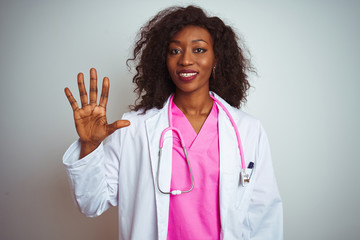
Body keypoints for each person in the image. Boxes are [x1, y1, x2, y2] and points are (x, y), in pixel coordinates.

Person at [63, 5, 283, 240]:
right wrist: (89, 146)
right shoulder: (134, 128)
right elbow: (91, 203)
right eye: (175, 51)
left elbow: (264, 217)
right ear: (163, 60)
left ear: (216, 58)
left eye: (199, 49)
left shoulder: (247, 130)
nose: (186, 60)